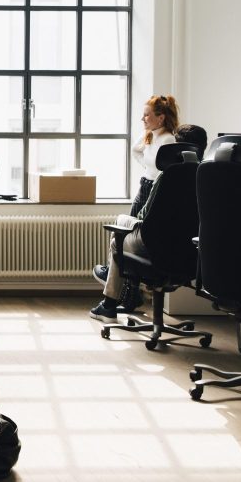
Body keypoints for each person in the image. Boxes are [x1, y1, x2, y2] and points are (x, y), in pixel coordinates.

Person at [90, 94, 181, 319]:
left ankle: (119, 290)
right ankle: (128, 295)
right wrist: (147, 168)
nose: (143, 118)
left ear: (161, 118)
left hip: (155, 190)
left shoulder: (168, 140)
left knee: (126, 238)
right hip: (146, 184)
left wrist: (152, 173)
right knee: (126, 237)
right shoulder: (153, 136)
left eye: (147, 115)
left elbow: (164, 172)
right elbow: (136, 150)